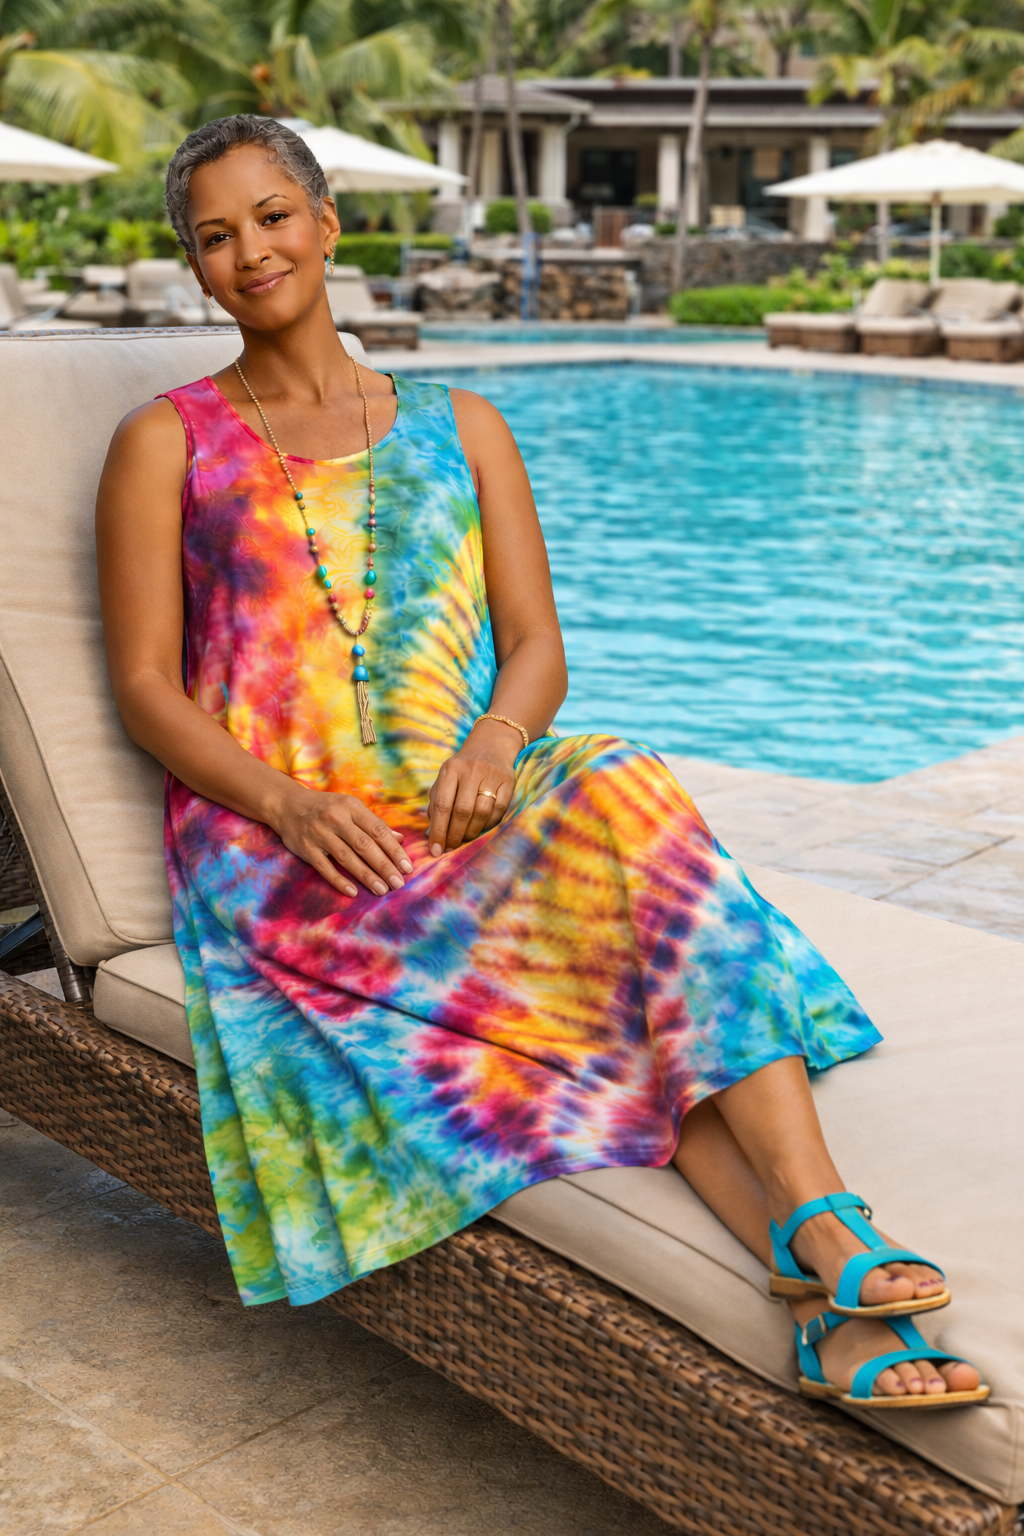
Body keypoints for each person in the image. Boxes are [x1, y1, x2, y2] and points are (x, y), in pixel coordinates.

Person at [96, 116, 986, 1410]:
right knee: (623, 982)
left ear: (328, 225)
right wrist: (288, 804)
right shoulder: (166, 441)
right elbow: (143, 687)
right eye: (216, 236)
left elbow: (535, 648)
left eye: (273, 216)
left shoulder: (463, 425)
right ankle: (831, 1277)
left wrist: (496, 740)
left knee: (618, 781)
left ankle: (819, 1240)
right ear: (196, 266)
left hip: (466, 814)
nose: (252, 251)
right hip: (295, 857)